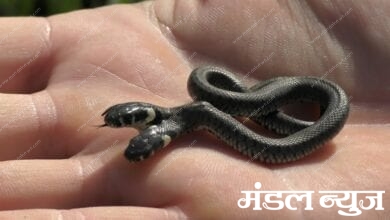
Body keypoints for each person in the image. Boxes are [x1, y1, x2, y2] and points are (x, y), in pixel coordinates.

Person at [0, 1, 388, 219]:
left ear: (155, 128)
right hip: (226, 106)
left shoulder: (200, 106)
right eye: (142, 144)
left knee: (246, 102)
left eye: (140, 142)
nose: (139, 150)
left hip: (298, 109)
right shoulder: (197, 110)